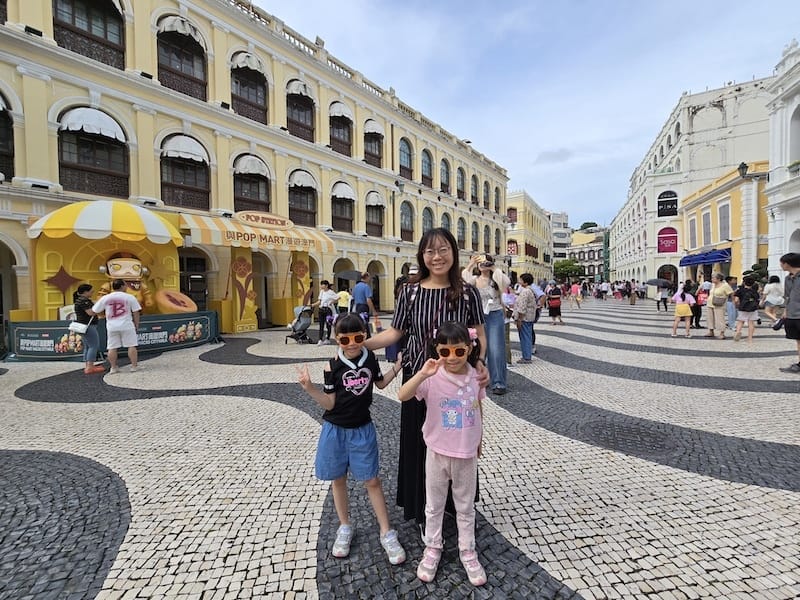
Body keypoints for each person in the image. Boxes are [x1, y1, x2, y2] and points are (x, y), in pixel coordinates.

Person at [363, 227, 487, 525]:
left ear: (454, 253)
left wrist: (481, 361)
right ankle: (423, 512)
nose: (437, 256)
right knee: (421, 445)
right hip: (420, 380)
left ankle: (459, 508)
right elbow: (396, 331)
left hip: (457, 383)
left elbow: (479, 333)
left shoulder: (467, 292)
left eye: (443, 249)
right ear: (422, 255)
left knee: (456, 445)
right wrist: (362, 343)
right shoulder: (411, 291)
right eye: (430, 251)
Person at [296, 313, 407, 564]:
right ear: (337, 339)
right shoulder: (331, 366)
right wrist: (309, 388)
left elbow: (379, 384)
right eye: (345, 339)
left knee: (373, 481)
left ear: (365, 336)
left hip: (362, 429)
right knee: (338, 480)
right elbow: (329, 402)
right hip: (334, 430)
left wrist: (397, 366)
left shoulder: (370, 359)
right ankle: (344, 526)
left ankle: (386, 532)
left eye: (358, 337)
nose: (352, 343)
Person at [397, 322, 487, 587]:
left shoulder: (475, 376)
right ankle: (433, 547)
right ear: (437, 350)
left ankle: (468, 551)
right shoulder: (433, 376)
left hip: (466, 454)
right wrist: (422, 374)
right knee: (434, 506)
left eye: (458, 352)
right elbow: (403, 395)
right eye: (445, 352)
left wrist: (480, 437)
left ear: (469, 349)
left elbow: (478, 405)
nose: (452, 358)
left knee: (465, 506)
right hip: (436, 452)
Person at [462, 254, 510, 395]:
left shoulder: (495, 280)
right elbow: (463, 282)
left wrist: (494, 267)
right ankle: (477, 379)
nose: (483, 265)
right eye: (481, 263)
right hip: (478, 316)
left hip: (495, 314)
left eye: (485, 262)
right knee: (477, 348)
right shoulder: (474, 280)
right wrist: (471, 264)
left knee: (496, 349)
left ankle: (498, 382)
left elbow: (506, 282)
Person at [91, 278, 141, 373]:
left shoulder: (106, 298)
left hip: (111, 325)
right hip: (127, 324)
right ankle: (134, 366)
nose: (126, 287)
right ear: (122, 286)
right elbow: (136, 312)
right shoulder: (130, 297)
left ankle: (113, 367)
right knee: (131, 345)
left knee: (112, 347)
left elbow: (95, 310)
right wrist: (136, 324)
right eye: (125, 285)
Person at [73, 283, 104, 374]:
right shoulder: (84, 301)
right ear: (85, 292)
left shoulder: (79, 300)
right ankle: (90, 367)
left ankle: (88, 365)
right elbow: (90, 312)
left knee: (88, 346)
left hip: (83, 326)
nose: (92, 293)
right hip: (88, 326)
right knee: (94, 346)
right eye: (91, 292)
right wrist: (99, 307)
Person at [512, 273, 543, 362]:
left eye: (520, 280)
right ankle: (527, 355)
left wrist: (519, 319)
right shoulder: (530, 290)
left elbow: (522, 307)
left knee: (525, 337)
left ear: (525, 282)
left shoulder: (525, 292)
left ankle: (526, 357)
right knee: (527, 336)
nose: (519, 281)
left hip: (524, 318)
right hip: (529, 317)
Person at [778, 253, 800, 373]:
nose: (780, 265)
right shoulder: (788, 278)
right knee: (798, 339)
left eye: (781, 262)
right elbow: (787, 296)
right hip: (792, 314)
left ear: (787, 263)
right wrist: (785, 311)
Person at [705, 273, 734, 339]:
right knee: (710, 318)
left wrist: (733, 301)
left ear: (719, 279)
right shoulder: (712, 285)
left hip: (720, 304)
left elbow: (731, 293)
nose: (712, 279)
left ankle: (722, 333)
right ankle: (711, 331)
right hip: (710, 303)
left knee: (720, 319)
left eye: (713, 278)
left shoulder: (725, 285)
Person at [733, 276, 761, 343]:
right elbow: (758, 299)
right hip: (752, 309)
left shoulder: (740, 290)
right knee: (751, 323)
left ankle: (738, 332)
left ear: (744, 282)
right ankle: (750, 338)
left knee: (740, 321)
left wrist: (736, 305)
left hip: (743, 308)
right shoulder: (755, 292)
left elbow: (736, 300)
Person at [310, 280, 338, 345]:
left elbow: (337, 297)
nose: (321, 286)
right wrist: (312, 305)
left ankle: (328, 338)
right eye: (321, 284)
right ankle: (320, 339)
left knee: (328, 325)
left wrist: (331, 302)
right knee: (321, 325)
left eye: (322, 284)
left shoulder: (331, 292)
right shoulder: (321, 292)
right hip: (321, 309)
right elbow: (319, 301)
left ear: (326, 285)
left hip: (328, 309)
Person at [352, 272, 377, 338]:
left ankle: (360, 335)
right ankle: (367, 337)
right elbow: (368, 300)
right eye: (369, 277)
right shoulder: (366, 286)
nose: (370, 279)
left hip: (357, 306)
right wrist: (373, 310)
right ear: (366, 277)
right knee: (365, 323)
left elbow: (353, 297)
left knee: (360, 322)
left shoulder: (356, 286)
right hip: (363, 307)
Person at [501, 285, 517, 367]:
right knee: (506, 341)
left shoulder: (499, 295)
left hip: (497, 320)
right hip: (505, 320)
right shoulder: (506, 295)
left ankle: (505, 360)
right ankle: (508, 361)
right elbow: (512, 304)